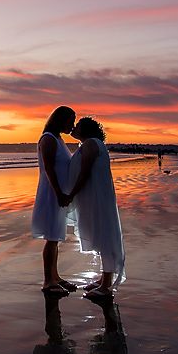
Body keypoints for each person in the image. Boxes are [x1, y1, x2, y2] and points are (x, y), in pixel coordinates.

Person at [66, 117, 125, 298]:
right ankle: (103, 278)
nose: (74, 128)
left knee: (104, 235)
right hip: (96, 196)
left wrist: (71, 194)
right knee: (100, 234)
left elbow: (85, 172)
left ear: (86, 130)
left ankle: (106, 286)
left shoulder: (91, 144)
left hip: (98, 197)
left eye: (78, 126)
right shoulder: (91, 143)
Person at [32, 105, 77, 296]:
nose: (72, 125)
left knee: (55, 237)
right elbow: (49, 169)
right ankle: (47, 280)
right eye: (70, 121)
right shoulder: (48, 139)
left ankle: (55, 276)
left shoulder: (59, 139)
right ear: (61, 120)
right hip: (51, 192)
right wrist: (58, 193)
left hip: (59, 192)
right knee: (51, 237)